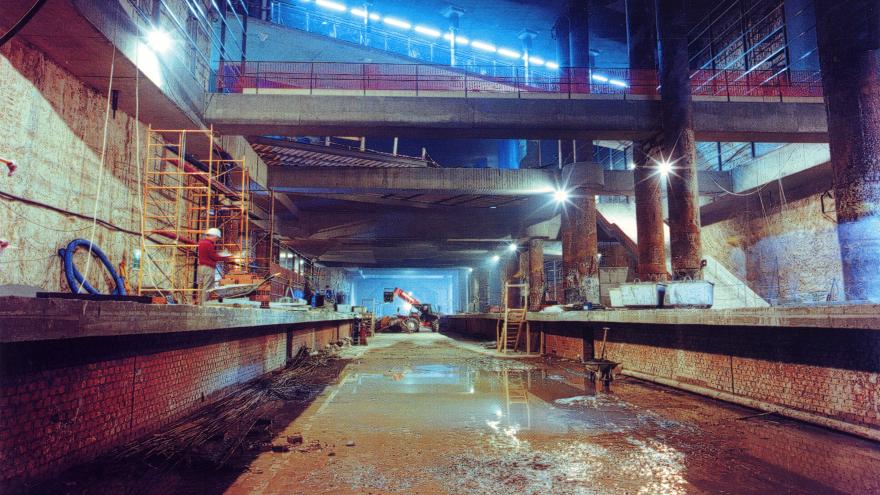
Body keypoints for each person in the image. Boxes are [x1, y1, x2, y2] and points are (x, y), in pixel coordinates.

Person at [197, 228, 230, 304]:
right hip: (208, 268)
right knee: (208, 287)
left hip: (201, 267)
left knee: (202, 286)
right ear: (214, 236)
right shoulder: (209, 244)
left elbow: (208, 255)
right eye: (217, 238)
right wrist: (225, 257)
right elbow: (213, 256)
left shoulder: (201, 243)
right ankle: (205, 305)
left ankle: (200, 304)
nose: (216, 240)